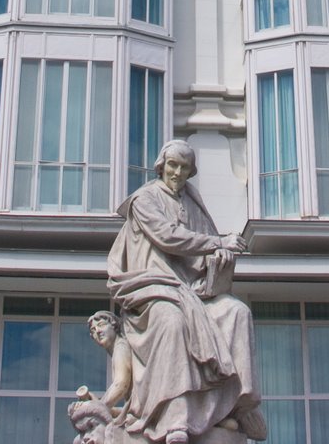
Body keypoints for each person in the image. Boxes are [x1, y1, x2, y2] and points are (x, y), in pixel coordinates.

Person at [106, 140, 266, 443]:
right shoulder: (145, 199)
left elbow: (202, 249)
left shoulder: (192, 202)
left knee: (236, 312)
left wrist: (218, 259)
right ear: (161, 166)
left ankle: (232, 406)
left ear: (191, 171)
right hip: (151, 287)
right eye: (173, 165)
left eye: (184, 167)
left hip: (191, 291)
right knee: (172, 321)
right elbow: (168, 237)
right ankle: (174, 418)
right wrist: (218, 243)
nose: (177, 173)